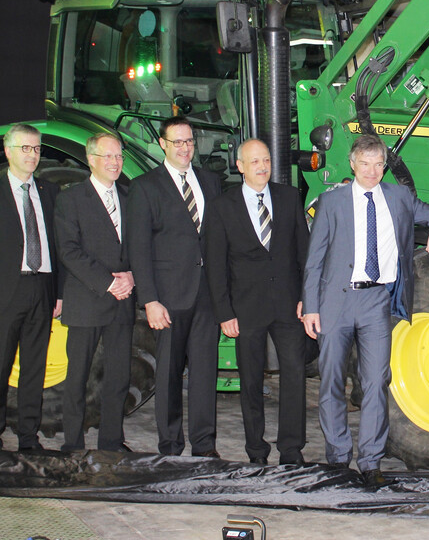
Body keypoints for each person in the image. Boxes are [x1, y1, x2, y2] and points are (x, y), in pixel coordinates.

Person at [301, 134, 429, 487]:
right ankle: (338, 458)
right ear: (353, 164)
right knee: (333, 383)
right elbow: (314, 259)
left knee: (375, 383)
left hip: (376, 302)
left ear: (385, 167)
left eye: (378, 164)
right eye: (365, 164)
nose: (372, 171)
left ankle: (371, 461)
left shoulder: (399, 197)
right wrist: (310, 307)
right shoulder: (332, 201)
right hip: (335, 301)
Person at [205, 138, 310, 465]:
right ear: (240, 167)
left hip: (289, 305)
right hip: (245, 309)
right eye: (254, 162)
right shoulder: (223, 206)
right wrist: (224, 312)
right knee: (251, 382)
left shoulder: (289, 197)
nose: (262, 166)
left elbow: (304, 253)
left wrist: (309, 297)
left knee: (294, 377)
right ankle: (256, 451)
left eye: (265, 160)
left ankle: (291, 451)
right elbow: (216, 264)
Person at [127, 116, 222, 457]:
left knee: (204, 374)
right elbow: (139, 249)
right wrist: (150, 300)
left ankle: (204, 444)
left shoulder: (211, 182)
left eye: (189, 142)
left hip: (207, 296)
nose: (184, 148)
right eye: (177, 142)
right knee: (167, 374)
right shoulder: (145, 187)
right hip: (168, 298)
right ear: (163, 145)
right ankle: (169, 444)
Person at [0, 123, 61, 451]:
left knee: (34, 370)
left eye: (36, 148)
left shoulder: (51, 193)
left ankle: (28, 437)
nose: (32, 155)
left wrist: (59, 293)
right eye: (25, 148)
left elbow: (58, 248)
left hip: (43, 291)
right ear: (8, 152)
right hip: (5, 295)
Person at [54, 132, 135, 453]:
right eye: (108, 156)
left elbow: (138, 247)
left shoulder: (130, 198)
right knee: (77, 379)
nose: (115, 162)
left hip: (123, 303)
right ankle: (73, 444)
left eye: (119, 156)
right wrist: (109, 282)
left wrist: (131, 277)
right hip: (88, 300)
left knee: (118, 379)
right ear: (91, 160)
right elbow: (69, 251)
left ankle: (111, 442)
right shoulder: (70, 199)